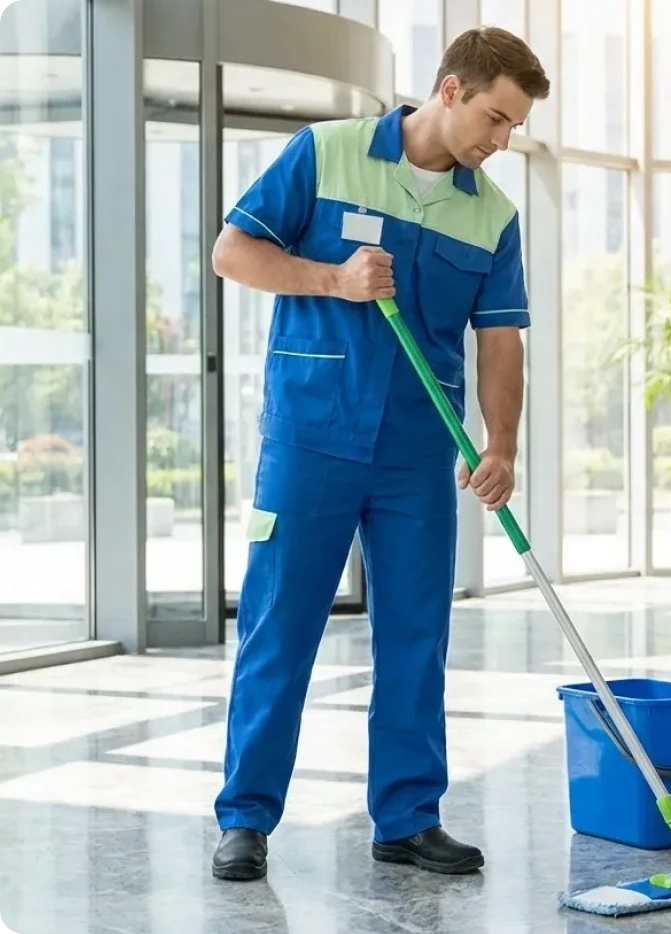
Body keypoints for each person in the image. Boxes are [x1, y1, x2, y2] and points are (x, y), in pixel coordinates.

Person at [208, 27, 550, 882]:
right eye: (496, 117)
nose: (501, 141)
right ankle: (246, 818)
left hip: (416, 454)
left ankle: (407, 817)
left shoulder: (491, 214)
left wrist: (500, 444)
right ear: (450, 89)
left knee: (415, 635)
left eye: (514, 128)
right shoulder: (324, 154)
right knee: (279, 627)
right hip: (311, 435)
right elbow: (232, 252)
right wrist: (333, 279)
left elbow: (502, 339)